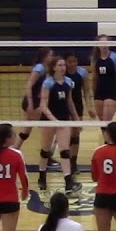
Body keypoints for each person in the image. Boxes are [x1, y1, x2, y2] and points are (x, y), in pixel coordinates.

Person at [36, 56, 80, 193]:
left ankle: (68, 182)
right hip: (48, 120)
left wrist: (76, 119)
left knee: (65, 151)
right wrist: (53, 120)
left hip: (64, 119)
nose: (62, 67)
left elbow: (70, 103)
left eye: (63, 65)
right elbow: (43, 105)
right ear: (54, 68)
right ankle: (42, 176)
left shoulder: (69, 82)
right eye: (60, 65)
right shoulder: (48, 83)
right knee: (46, 150)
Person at [17, 47, 54, 148]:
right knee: (48, 126)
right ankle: (46, 152)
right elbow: (28, 85)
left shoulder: (46, 68)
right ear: (44, 57)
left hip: (36, 102)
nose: (52, 57)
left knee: (26, 131)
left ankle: (14, 149)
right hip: (32, 102)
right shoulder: (39, 68)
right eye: (50, 55)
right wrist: (30, 105)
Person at [64, 52, 92, 176]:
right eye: (70, 61)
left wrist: (90, 107)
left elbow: (86, 91)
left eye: (74, 61)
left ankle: (73, 163)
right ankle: (66, 162)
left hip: (78, 106)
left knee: (75, 135)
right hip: (63, 107)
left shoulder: (82, 73)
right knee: (66, 135)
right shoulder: (61, 73)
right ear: (66, 62)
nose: (72, 64)